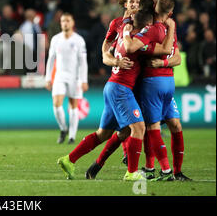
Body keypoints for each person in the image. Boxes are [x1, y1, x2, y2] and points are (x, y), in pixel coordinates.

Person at [57, 10, 173, 181]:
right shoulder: (136, 42)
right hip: (121, 89)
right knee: (139, 128)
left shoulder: (122, 36)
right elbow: (165, 49)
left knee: (103, 134)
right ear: (146, 25)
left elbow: (109, 50)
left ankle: (69, 159)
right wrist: (171, 30)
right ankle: (131, 172)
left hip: (112, 86)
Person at [121, 0, 191, 181]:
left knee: (174, 125)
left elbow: (177, 58)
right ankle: (155, 168)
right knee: (150, 127)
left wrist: (163, 62)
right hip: (150, 81)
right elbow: (136, 48)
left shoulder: (168, 28)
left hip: (167, 82)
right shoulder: (150, 29)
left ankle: (175, 171)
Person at [45, 12, 88, 144]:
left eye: (68, 20)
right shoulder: (56, 39)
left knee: (73, 106)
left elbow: (83, 62)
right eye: (63, 21)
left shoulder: (79, 40)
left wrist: (83, 80)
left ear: (72, 23)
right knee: (56, 104)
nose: (65, 23)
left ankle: (72, 136)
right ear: (60, 23)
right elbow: (51, 60)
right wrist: (48, 78)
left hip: (74, 77)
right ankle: (64, 128)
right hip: (59, 76)